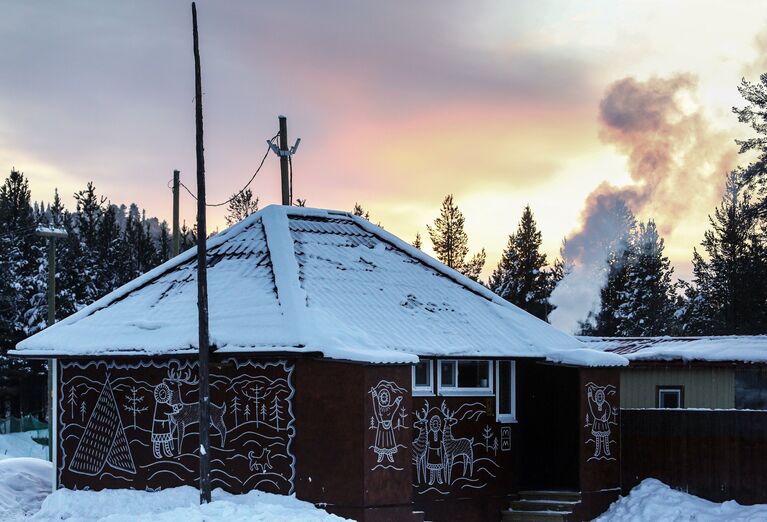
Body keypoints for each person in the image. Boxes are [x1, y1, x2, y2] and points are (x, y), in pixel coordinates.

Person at [372, 388, 402, 463]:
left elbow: (394, 407)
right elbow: (375, 406)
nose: (384, 398)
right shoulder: (379, 407)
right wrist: (375, 395)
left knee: (389, 440)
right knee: (381, 440)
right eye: (383, 397)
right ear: (380, 398)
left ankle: (389, 454)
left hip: (389, 427)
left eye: (385, 397)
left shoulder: (389, 407)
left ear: (388, 398)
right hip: (381, 427)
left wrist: (398, 400)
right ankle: (381, 454)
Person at [151, 382, 175, 458]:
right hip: (159, 423)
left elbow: (169, 408)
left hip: (164, 423)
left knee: (166, 439)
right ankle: (157, 452)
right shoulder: (160, 404)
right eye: (162, 394)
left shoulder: (163, 403)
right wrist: (176, 408)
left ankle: (167, 451)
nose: (163, 395)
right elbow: (168, 409)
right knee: (158, 440)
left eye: (164, 393)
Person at [588, 386, 612, 458]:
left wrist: (606, 417)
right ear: (596, 396)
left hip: (604, 423)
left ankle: (607, 451)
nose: (599, 397)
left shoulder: (605, 404)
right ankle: (597, 451)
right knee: (597, 438)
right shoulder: (594, 404)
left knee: (605, 438)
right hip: (597, 423)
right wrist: (589, 393)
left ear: (603, 396)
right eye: (598, 395)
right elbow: (590, 401)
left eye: (601, 395)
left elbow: (608, 411)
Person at [426, 415, 444, 485]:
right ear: (431, 424)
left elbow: (443, 439)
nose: (435, 424)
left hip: (438, 451)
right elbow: (427, 441)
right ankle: (431, 480)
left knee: (438, 467)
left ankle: (439, 479)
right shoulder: (430, 432)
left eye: (436, 423)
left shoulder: (440, 432)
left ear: (439, 424)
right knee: (432, 468)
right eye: (434, 423)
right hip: (431, 452)